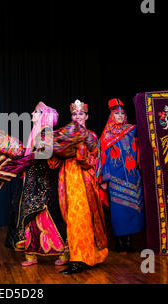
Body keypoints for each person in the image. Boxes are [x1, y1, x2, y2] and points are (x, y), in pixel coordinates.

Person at [5, 102, 68, 266]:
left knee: (43, 214)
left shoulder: (46, 133)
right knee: (29, 216)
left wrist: (24, 161)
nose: (32, 114)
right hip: (32, 180)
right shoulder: (36, 132)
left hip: (41, 182)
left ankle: (62, 252)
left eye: (35, 112)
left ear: (43, 116)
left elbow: (45, 155)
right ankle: (31, 254)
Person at [54, 99, 108, 274]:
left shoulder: (91, 136)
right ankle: (84, 255)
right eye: (74, 114)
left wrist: (80, 151)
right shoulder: (66, 134)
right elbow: (55, 159)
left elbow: (94, 162)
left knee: (80, 219)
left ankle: (79, 260)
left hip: (83, 182)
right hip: (67, 179)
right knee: (70, 219)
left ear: (87, 116)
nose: (77, 116)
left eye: (81, 114)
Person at [96, 98, 144, 253]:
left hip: (132, 177)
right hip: (116, 178)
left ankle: (129, 243)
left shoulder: (132, 129)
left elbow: (146, 137)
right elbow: (103, 158)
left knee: (132, 210)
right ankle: (120, 243)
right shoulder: (106, 135)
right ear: (111, 115)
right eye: (117, 113)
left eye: (122, 113)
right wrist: (104, 178)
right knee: (119, 211)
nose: (120, 116)